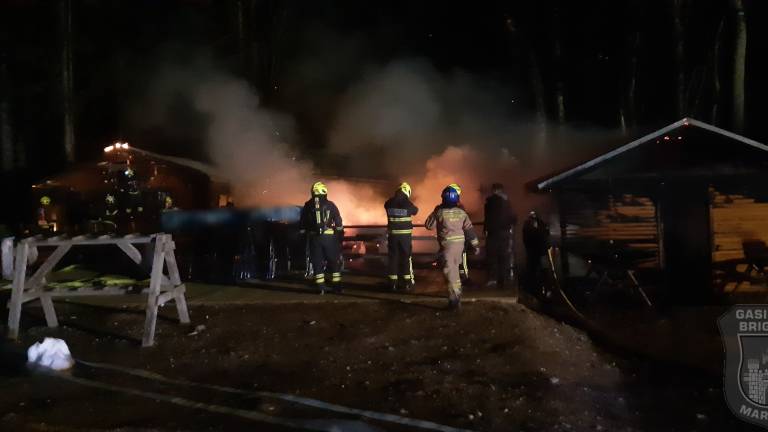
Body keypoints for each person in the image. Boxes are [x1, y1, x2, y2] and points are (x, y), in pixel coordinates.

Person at [425, 185, 480, 309]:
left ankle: (454, 301)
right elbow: (469, 230)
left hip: (447, 247)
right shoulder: (461, 212)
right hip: (459, 247)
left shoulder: (439, 211)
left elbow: (428, 225)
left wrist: (435, 211)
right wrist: (476, 245)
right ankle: (457, 293)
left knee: (450, 273)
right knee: (454, 271)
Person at [300, 181, 344, 294]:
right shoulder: (331, 205)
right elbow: (338, 222)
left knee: (317, 263)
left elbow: (302, 223)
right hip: (329, 239)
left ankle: (321, 287)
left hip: (315, 238)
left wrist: (305, 232)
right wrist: (339, 235)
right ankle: (337, 287)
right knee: (333, 262)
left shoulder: (307, 205)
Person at [384, 182, 419, 291]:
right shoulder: (407, 203)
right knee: (406, 257)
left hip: (392, 235)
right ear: (407, 191)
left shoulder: (389, 202)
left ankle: (392, 283)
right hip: (405, 236)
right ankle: (408, 282)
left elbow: (386, 206)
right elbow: (415, 211)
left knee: (393, 258)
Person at [483, 183, 516, 288]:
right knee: (504, 257)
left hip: (492, 233)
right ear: (500, 190)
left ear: (494, 190)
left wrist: (486, 230)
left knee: (492, 257)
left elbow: (487, 218)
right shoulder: (506, 202)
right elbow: (513, 218)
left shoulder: (489, 203)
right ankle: (503, 279)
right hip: (504, 233)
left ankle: (492, 279)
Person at [522, 210, 550, 296]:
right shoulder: (529, 226)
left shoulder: (538, 224)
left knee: (542, 270)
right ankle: (534, 289)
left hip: (539, 251)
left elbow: (545, 236)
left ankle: (543, 288)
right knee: (534, 270)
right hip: (536, 251)